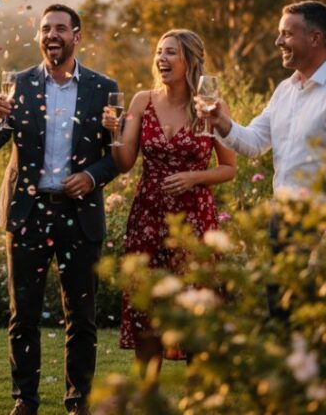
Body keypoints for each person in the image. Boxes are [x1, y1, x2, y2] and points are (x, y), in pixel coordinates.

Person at [0, 4, 119, 415]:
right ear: (39, 37)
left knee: (82, 316)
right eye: (45, 29)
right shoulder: (17, 84)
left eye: (61, 28)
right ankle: (24, 399)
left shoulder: (103, 87)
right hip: (29, 213)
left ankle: (78, 401)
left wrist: (92, 177)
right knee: (23, 315)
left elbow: (118, 154)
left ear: (77, 36)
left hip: (80, 214)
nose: (52, 34)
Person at [198, 0, 326, 319]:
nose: (278, 42)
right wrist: (221, 122)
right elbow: (253, 144)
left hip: (322, 231)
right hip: (284, 226)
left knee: (318, 329)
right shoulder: (283, 92)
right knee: (282, 322)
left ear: (315, 38)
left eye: (286, 34)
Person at [101, 30, 235, 373]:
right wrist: (114, 134)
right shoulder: (141, 102)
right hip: (149, 216)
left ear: (189, 60)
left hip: (196, 220)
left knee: (197, 310)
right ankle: (147, 400)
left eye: (171, 53)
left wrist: (194, 177)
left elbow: (229, 168)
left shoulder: (210, 105)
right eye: (159, 52)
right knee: (148, 311)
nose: (161, 59)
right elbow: (125, 163)